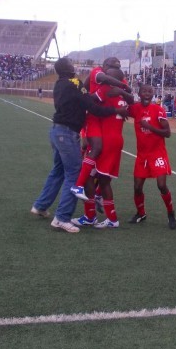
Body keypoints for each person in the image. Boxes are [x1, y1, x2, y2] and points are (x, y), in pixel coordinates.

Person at [31, 58, 127, 233]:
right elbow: (93, 107)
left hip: (56, 131)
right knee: (75, 174)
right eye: (69, 63)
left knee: (58, 171)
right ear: (67, 69)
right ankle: (62, 218)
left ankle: (40, 205)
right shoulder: (75, 83)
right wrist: (115, 109)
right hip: (67, 133)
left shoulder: (59, 84)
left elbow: (86, 98)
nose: (73, 65)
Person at [73, 68, 134, 229]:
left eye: (107, 75)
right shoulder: (123, 95)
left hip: (105, 140)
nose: (103, 77)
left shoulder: (106, 89)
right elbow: (131, 99)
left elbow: (88, 99)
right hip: (116, 139)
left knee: (95, 179)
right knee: (101, 179)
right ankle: (102, 217)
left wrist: (78, 91)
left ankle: (96, 216)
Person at [126, 84, 176, 229]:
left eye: (149, 91)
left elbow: (167, 133)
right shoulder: (135, 108)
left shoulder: (158, 109)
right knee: (137, 187)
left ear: (153, 94)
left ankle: (171, 214)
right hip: (142, 155)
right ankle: (141, 213)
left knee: (161, 185)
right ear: (139, 94)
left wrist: (149, 127)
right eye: (144, 91)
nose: (147, 93)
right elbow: (124, 106)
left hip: (157, 153)